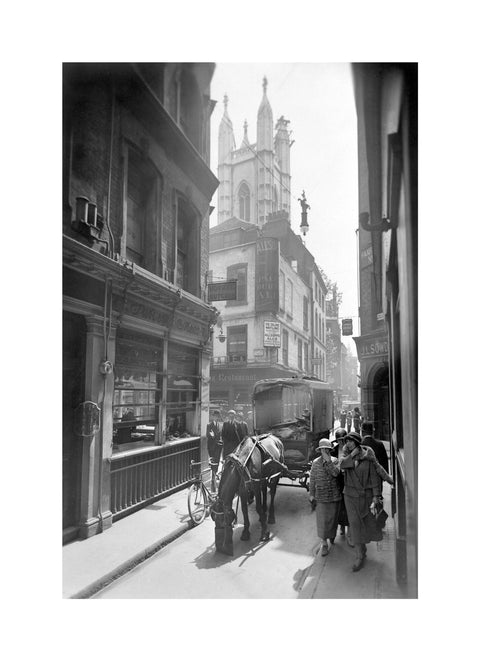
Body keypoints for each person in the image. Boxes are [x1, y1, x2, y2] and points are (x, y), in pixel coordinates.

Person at [339, 431, 393, 572]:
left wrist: (376, 496)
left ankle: (362, 548)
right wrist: (352, 454)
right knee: (355, 525)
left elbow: (375, 477)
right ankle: (359, 556)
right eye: (346, 441)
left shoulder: (368, 455)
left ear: (357, 442)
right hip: (350, 495)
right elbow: (342, 465)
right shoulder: (345, 455)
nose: (348, 443)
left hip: (366, 495)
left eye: (350, 441)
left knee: (365, 524)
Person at [309, 439, 342, 557]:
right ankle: (324, 544)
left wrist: (329, 462)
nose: (324, 451)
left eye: (326, 449)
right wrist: (311, 494)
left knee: (333, 520)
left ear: (330, 450)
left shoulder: (335, 461)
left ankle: (332, 535)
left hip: (334, 496)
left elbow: (336, 473)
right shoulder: (315, 463)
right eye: (322, 449)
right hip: (321, 497)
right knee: (322, 521)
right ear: (319, 450)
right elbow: (312, 479)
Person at [331, 428, 349, 536]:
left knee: (347, 505)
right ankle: (341, 526)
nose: (341, 442)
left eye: (343, 439)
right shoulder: (333, 450)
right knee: (339, 506)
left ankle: (348, 528)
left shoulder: (351, 450)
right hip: (337, 481)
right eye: (339, 440)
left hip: (348, 481)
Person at [206, 410, 223, 492]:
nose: (216, 417)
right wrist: (213, 436)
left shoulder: (219, 425)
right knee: (213, 463)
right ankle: (213, 481)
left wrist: (215, 436)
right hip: (212, 448)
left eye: (217, 416)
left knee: (217, 462)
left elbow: (219, 435)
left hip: (218, 447)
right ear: (212, 416)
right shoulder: (209, 425)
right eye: (215, 416)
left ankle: (214, 476)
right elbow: (208, 435)